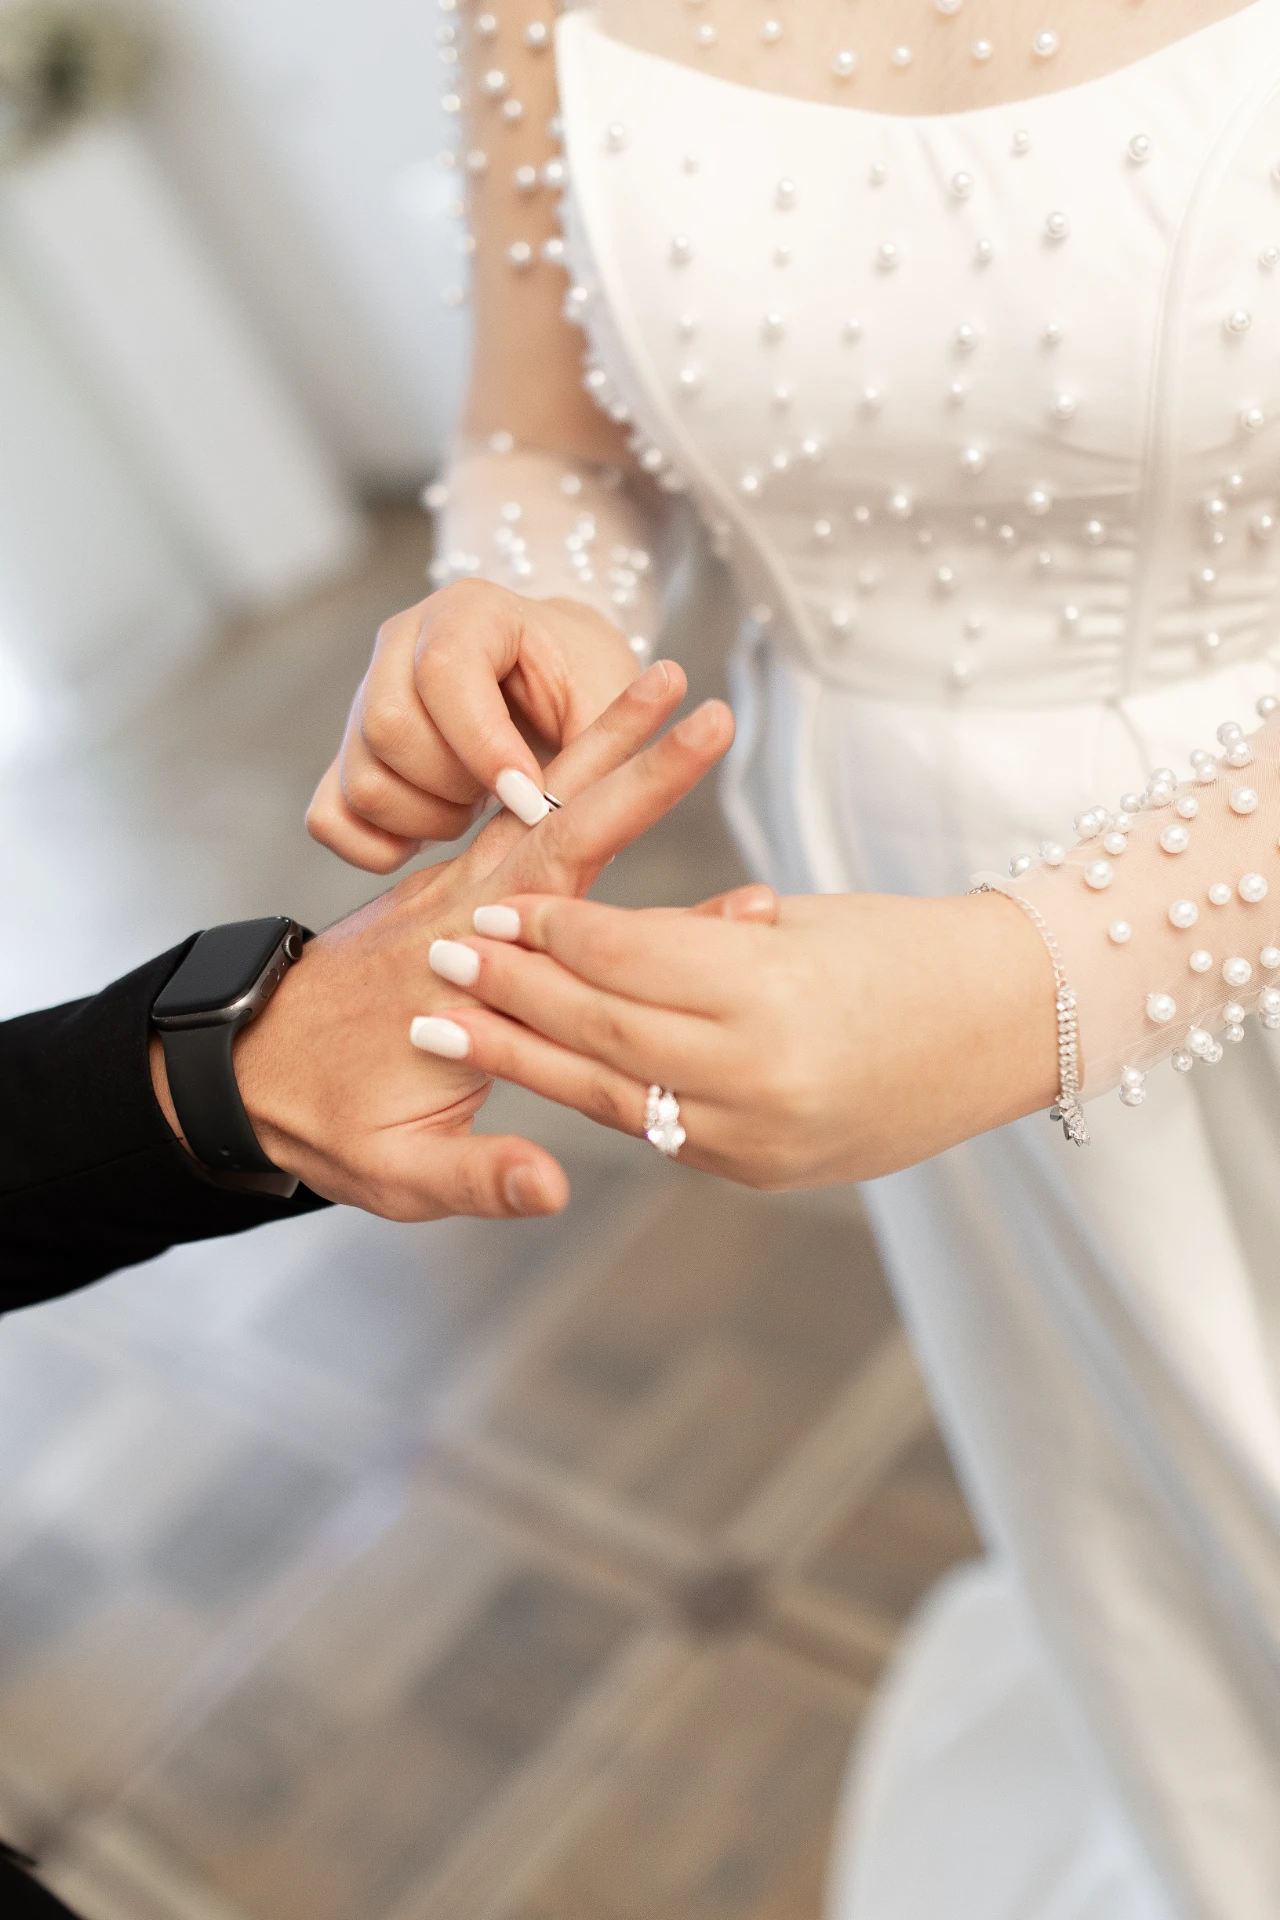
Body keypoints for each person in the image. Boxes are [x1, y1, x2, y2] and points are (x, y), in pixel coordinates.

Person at [308, 4, 1280, 1916]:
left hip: (1181, 882)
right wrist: (522, 604)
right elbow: (543, 428)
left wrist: (1036, 978)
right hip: (894, 860)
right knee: (1179, 1544)